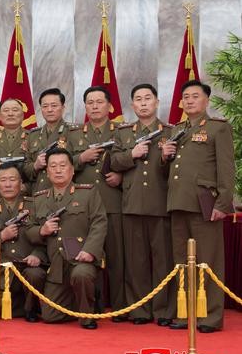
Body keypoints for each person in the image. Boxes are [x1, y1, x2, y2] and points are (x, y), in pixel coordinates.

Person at [162, 80, 235, 333]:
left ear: (206, 100)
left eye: (195, 96)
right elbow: (169, 171)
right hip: (178, 203)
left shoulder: (218, 128)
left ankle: (211, 317)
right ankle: (185, 314)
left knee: (208, 262)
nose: (190, 100)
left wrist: (223, 203)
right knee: (181, 262)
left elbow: (227, 169)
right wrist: (165, 156)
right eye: (186, 97)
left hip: (205, 204)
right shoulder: (176, 130)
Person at [110, 83, 174, 326]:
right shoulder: (123, 132)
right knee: (135, 263)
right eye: (138, 98)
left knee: (162, 261)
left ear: (157, 102)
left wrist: (167, 157)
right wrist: (131, 155)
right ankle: (139, 310)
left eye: (148, 98)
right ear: (132, 105)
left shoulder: (170, 131)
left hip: (161, 205)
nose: (144, 102)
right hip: (132, 205)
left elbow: (176, 170)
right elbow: (113, 162)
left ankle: (162, 310)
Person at [27, 148, 107, 329]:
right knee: (50, 316)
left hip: (81, 259)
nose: (58, 170)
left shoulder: (87, 193)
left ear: (72, 170)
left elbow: (99, 223)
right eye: (53, 166)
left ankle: (87, 314)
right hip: (55, 265)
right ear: (47, 172)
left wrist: (90, 250)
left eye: (63, 166)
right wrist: (42, 230)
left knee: (81, 274)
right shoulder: (39, 199)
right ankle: (75, 301)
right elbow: (28, 230)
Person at [67, 86, 125, 317]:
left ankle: (121, 307)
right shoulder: (73, 134)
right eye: (89, 102)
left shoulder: (121, 131)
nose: (94, 106)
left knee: (117, 259)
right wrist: (81, 158)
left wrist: (121, 176)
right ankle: (93, 304)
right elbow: (61, 162)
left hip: (113, 202)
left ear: (110, 106)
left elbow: (136, 162)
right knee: (87, 258)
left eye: (99, 102)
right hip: (83, 208)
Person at [0, 162, 46, 321]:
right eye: (3, 180)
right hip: (4, 270)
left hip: (28, 267)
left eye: (12, 180)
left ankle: (30, 306)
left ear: (21, 184)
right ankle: (23, 304)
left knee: (35, 275)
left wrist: (38, 255)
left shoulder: (34, 205)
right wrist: (1, 236)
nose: (8, 184)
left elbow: (47, 237)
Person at [23, 88, 75, 192]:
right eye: (45, 106)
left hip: (67, 192)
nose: (49, 110)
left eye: (54, 106)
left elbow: (79, 162)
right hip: (39, 192)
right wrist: (35, 165)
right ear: (41, 109)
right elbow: (24, 167)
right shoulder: (33, 135)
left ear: (63, 108)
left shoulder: (74, 131)